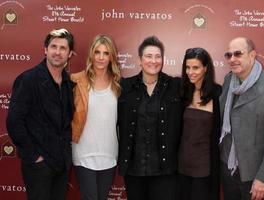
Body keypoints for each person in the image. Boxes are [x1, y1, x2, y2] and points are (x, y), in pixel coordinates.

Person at [6, 28, 75, 200]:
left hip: (61, 163)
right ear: (45, 50)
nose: (57, 52)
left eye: (63, 48)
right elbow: (14, 122)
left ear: (70, 54)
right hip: (39, 165)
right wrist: (35, 157)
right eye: (53, 46)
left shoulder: (67, 83)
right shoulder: (28, 79)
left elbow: (65, 123)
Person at [219, 37, 264, 200]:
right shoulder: (229, 81)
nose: (232, 59)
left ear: (252, 55)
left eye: (238, 54)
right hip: (227, 168)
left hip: (253, 175)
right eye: (228, 55)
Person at [117, 36, 183, 200]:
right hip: (134, 170)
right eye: (148, 56)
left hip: (165, 170)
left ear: (163, 59)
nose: (153, 61)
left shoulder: (176, 87)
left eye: (157, 56)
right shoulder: (125, 87)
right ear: (139, 60)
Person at [71, 34, 121, 200]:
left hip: (109, 154)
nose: (101, 57)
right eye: (97, 52)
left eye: (106, 53)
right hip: (84, 153)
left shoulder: (118, 84)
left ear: (111, 56)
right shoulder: (76, 81)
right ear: (91, 54)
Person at [177, 47, 221, 200]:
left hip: (205, 169)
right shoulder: (181, 92)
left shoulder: (218, 95)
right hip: (181, 167)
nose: (190, 72)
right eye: (187, 67)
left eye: (195, 67)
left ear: (206, 68)